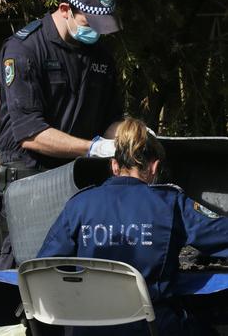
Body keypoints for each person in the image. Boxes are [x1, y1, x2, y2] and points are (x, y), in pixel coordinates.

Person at [37, 118, 228, 335]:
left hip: (88, 330)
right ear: (155, 167)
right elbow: (220, 233)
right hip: (153, 328)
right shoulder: (171, 202)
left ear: (114, 166)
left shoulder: (78, 204)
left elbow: (45, 266)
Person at [0, 0, 124, 269]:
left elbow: (111, 118)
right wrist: (92, 148)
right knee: (24, 282)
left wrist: (126, 136)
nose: (98, 33)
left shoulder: (100, 55)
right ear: (65, 10)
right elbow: (30, 133)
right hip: (32, 190)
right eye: (91, 24)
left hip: (80, 186)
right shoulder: (25, 49)